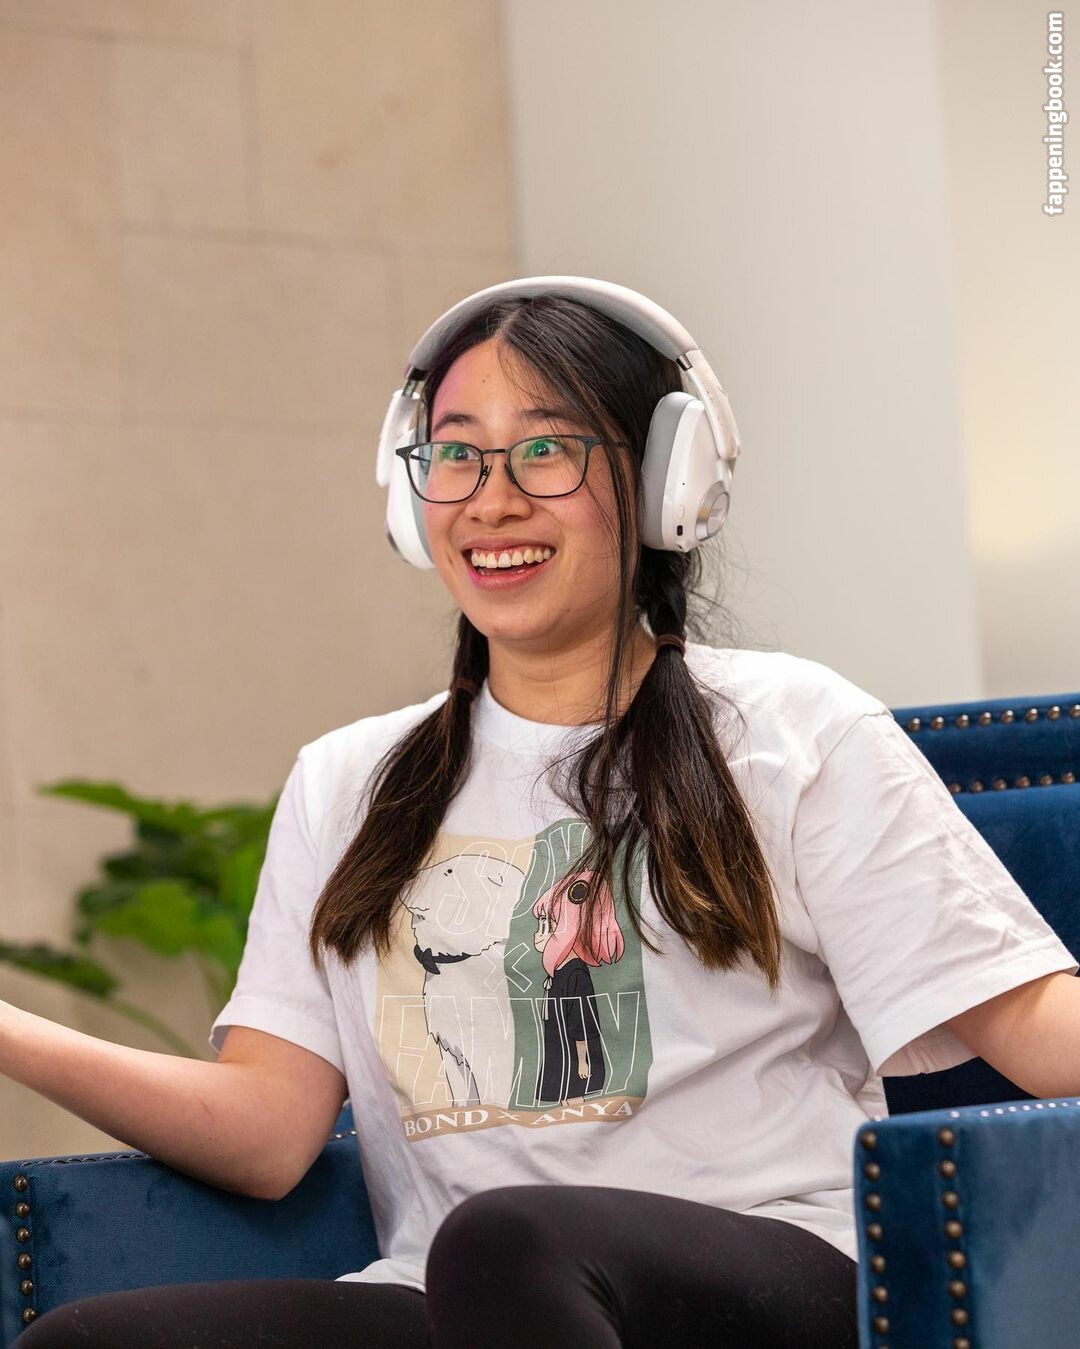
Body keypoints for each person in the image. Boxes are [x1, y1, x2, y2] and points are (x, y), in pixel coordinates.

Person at [7, 284, 1078, 1348]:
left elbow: (1035, 1028)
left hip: (777, 1272)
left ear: (664, 483)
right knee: (88, 1343)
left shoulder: (795, 732)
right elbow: (267, 1129)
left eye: (546, 450)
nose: (492, 500)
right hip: (466, 1295)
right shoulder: (344, 782)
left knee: (508, 1241)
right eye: (457, 454)